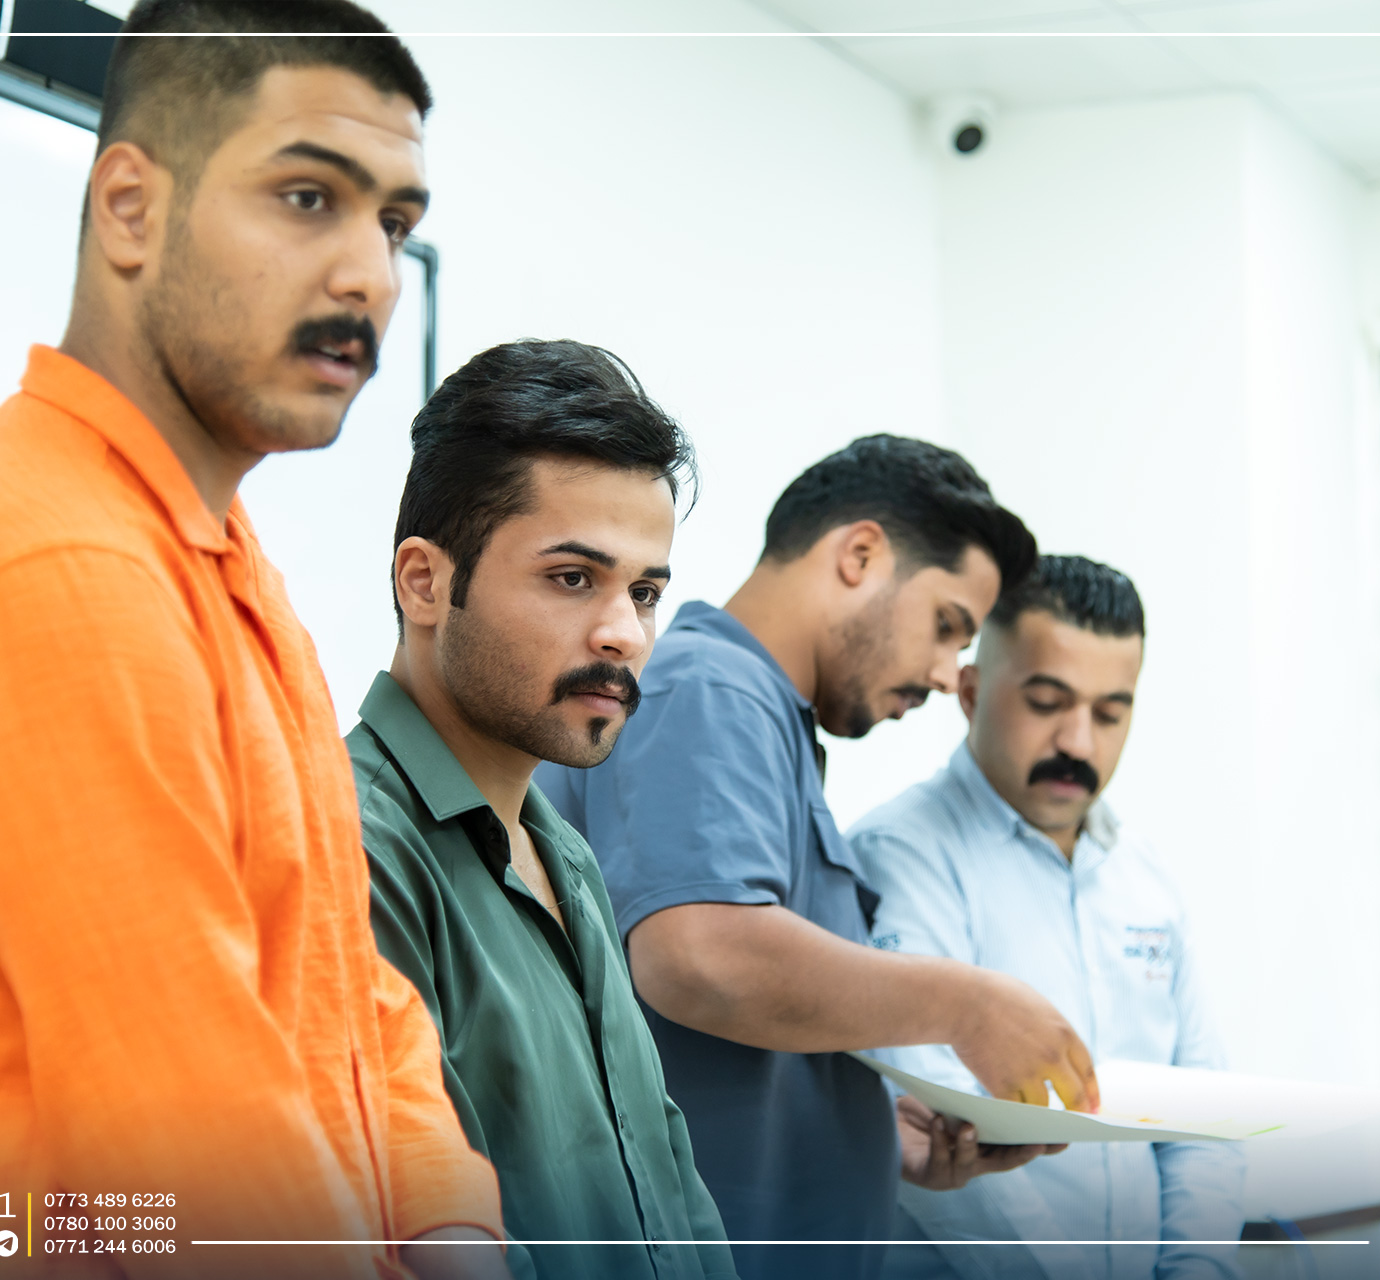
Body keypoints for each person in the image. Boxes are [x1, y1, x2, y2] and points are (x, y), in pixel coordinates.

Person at [0, 3, 508, 1277]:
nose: (370, 274)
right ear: (131, 209)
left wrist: (449, 1217)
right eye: (308, 198)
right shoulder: (63, 573)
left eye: (393, 221)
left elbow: (344, 983)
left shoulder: (222, 559)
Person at [537, 436, 1098, 1280]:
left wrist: (864, 1129)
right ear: (860, 555)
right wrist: (970, 1006)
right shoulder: (709, 688)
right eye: (947, 627)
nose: (945, 674)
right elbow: (698, 955)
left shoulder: (762, 715)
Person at [351, 340, 736, 1280]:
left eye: (645, 592)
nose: (623, 633)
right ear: (424, 582)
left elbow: (670, 1186)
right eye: (573, 578)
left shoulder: (562, 851)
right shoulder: (346, 846)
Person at [850, 556, 1247, 1280]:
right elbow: (930, 1111)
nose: (1079, 744)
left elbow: (1201, 1118)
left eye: (1110, 712)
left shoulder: (1144, 877)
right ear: (971, 692)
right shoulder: (899, 857)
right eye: (1045, 702)